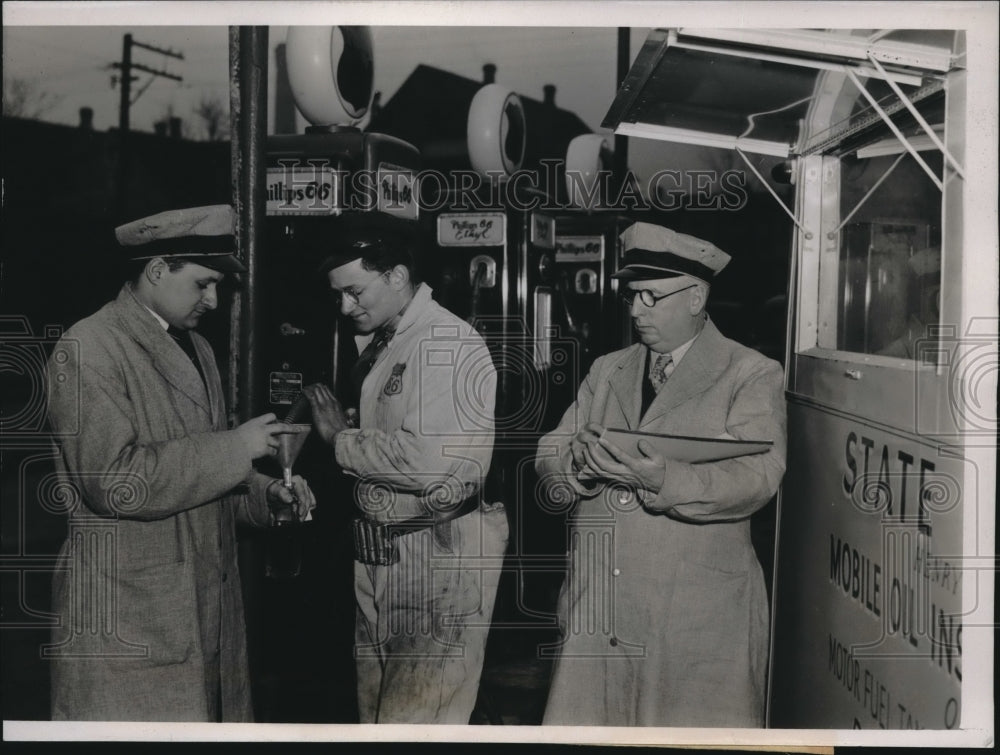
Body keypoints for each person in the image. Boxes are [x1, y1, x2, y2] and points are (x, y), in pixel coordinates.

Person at [45, 205, 316, 722]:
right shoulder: (88, 347)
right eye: (202, 284)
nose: (213, 300)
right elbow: (118, 482)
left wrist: (265, 497)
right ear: (155, 271)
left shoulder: (196, 349)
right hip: (129, 628)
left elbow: (200, 484)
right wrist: (237, 448)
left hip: (200, 621)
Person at [536, 221, 787, 727]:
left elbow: (759, 476)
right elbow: (550, 451)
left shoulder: (751, 373)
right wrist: (577, 468)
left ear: (696, 297)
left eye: (651, 296)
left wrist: (663, 480)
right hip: (601, 608)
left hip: (695, 617)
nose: (635, 311)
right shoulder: (608, 369)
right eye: (632, 295)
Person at [302, 214, 508, 724]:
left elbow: (431, 462)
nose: (345, 306)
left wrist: (340, 438)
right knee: (380, 718)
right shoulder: (394, 343)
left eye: (355, 291)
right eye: (338, 295)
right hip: (390, 553)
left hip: (439, 559)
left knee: (416, 724)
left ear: (395, 276)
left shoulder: (445, 343)